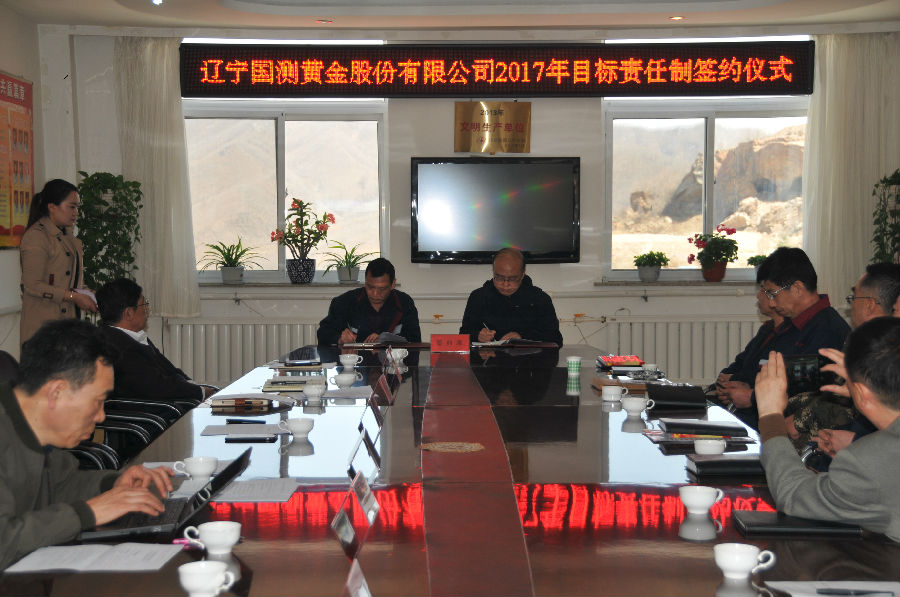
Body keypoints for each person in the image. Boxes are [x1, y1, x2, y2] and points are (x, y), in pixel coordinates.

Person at [0, 319, 173, 569]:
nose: (101, 416)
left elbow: (63, 484)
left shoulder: (36, 429)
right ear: (56, 392)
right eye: (98, 401)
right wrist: (88, 513)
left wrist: (112, 484)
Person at [755, 317, 900, 542]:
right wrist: (863, 390)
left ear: (861, 393)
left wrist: (771, 417)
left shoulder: (869, 461)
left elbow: (793, 494)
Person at [718, 247, 849, 428]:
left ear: (797, 288)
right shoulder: (788, 323)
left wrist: (752, 397)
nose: (771, 303)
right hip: (753, 415)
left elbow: (809, 390)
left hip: (783, 426)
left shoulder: (828, 329)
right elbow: (758, 365)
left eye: (773, 294)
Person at [795, 262, 900, 456]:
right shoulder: (862, 339)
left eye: (896, 310)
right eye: (894, 309)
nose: (895, 317)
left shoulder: (885, 349)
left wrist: (855, 442)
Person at [95, 278, 215, 401]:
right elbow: (157, 387)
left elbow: (169, 370)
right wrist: (201, 392)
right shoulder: (117, 347)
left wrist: (195, 386)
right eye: (144, 304)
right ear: (129, 313)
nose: (146, 310)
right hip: (152, 410)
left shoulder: (132, 336)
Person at [19, 179, 98, 345]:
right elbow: (32, 285)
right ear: (52, 207)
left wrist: (85, 292)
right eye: (72, 207)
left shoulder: (68, 237)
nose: (76, 213)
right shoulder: (37, 237)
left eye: (77, 207)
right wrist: (73, 296)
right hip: (42, 327)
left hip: (68, 324)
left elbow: (68, 280)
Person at [460, 248, 563, 346]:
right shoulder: (478, 297)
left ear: (522, 274)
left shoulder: (540, 299)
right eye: (499, 277)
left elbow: (556, 339)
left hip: (529, 358)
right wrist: (477, 336)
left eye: (513, 279)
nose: (505, 284)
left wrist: (523, 337)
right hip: (489, 357)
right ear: (493, 271)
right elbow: (464, 334)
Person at [317, 258, 421, 345]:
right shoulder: (345, 301)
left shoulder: (404, 303)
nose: (375, 294)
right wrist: (340, 339)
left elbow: (415, 340)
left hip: (393, 362)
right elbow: (323, 333)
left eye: (382, 289)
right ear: (365, 281)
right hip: (355, 361)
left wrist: (386, 341)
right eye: (370, 287)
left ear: (393, 284)